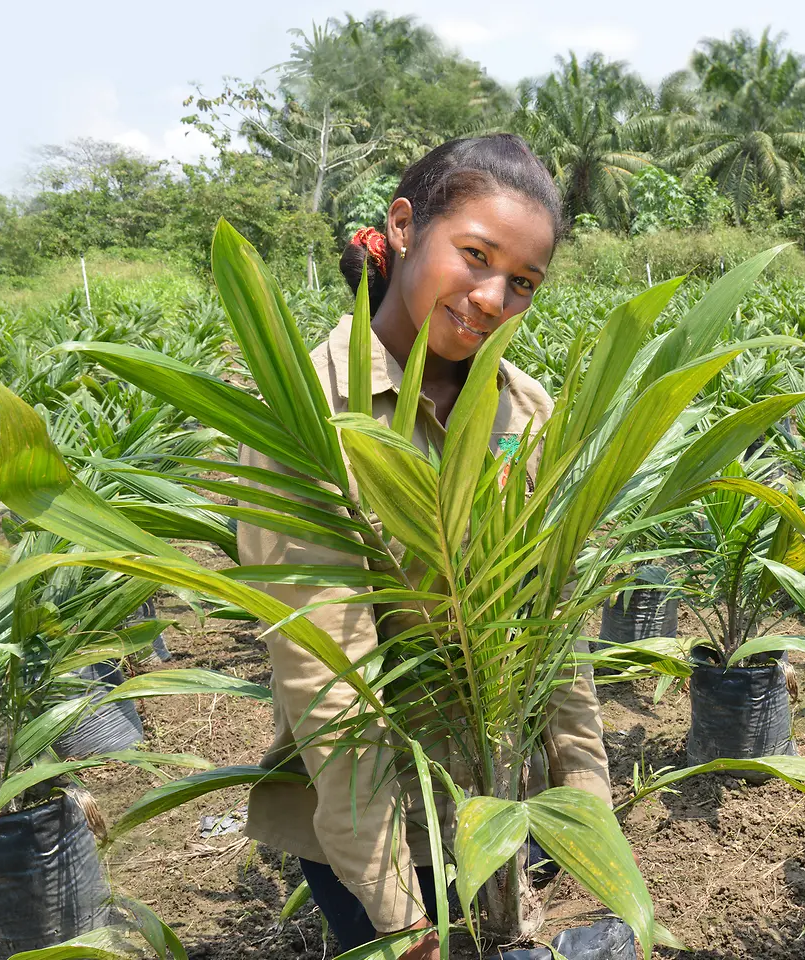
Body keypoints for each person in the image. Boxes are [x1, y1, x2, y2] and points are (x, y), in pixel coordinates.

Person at [236, 135, 611, 960]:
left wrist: (582, 795)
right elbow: (329, 684)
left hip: (503, 801)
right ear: (404, 226)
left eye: (522, 283)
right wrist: (400, 916)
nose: (490, 298)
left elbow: (555, 624)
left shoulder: (524, 410)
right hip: (385, 828)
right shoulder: (310, 419)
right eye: (474, 256)